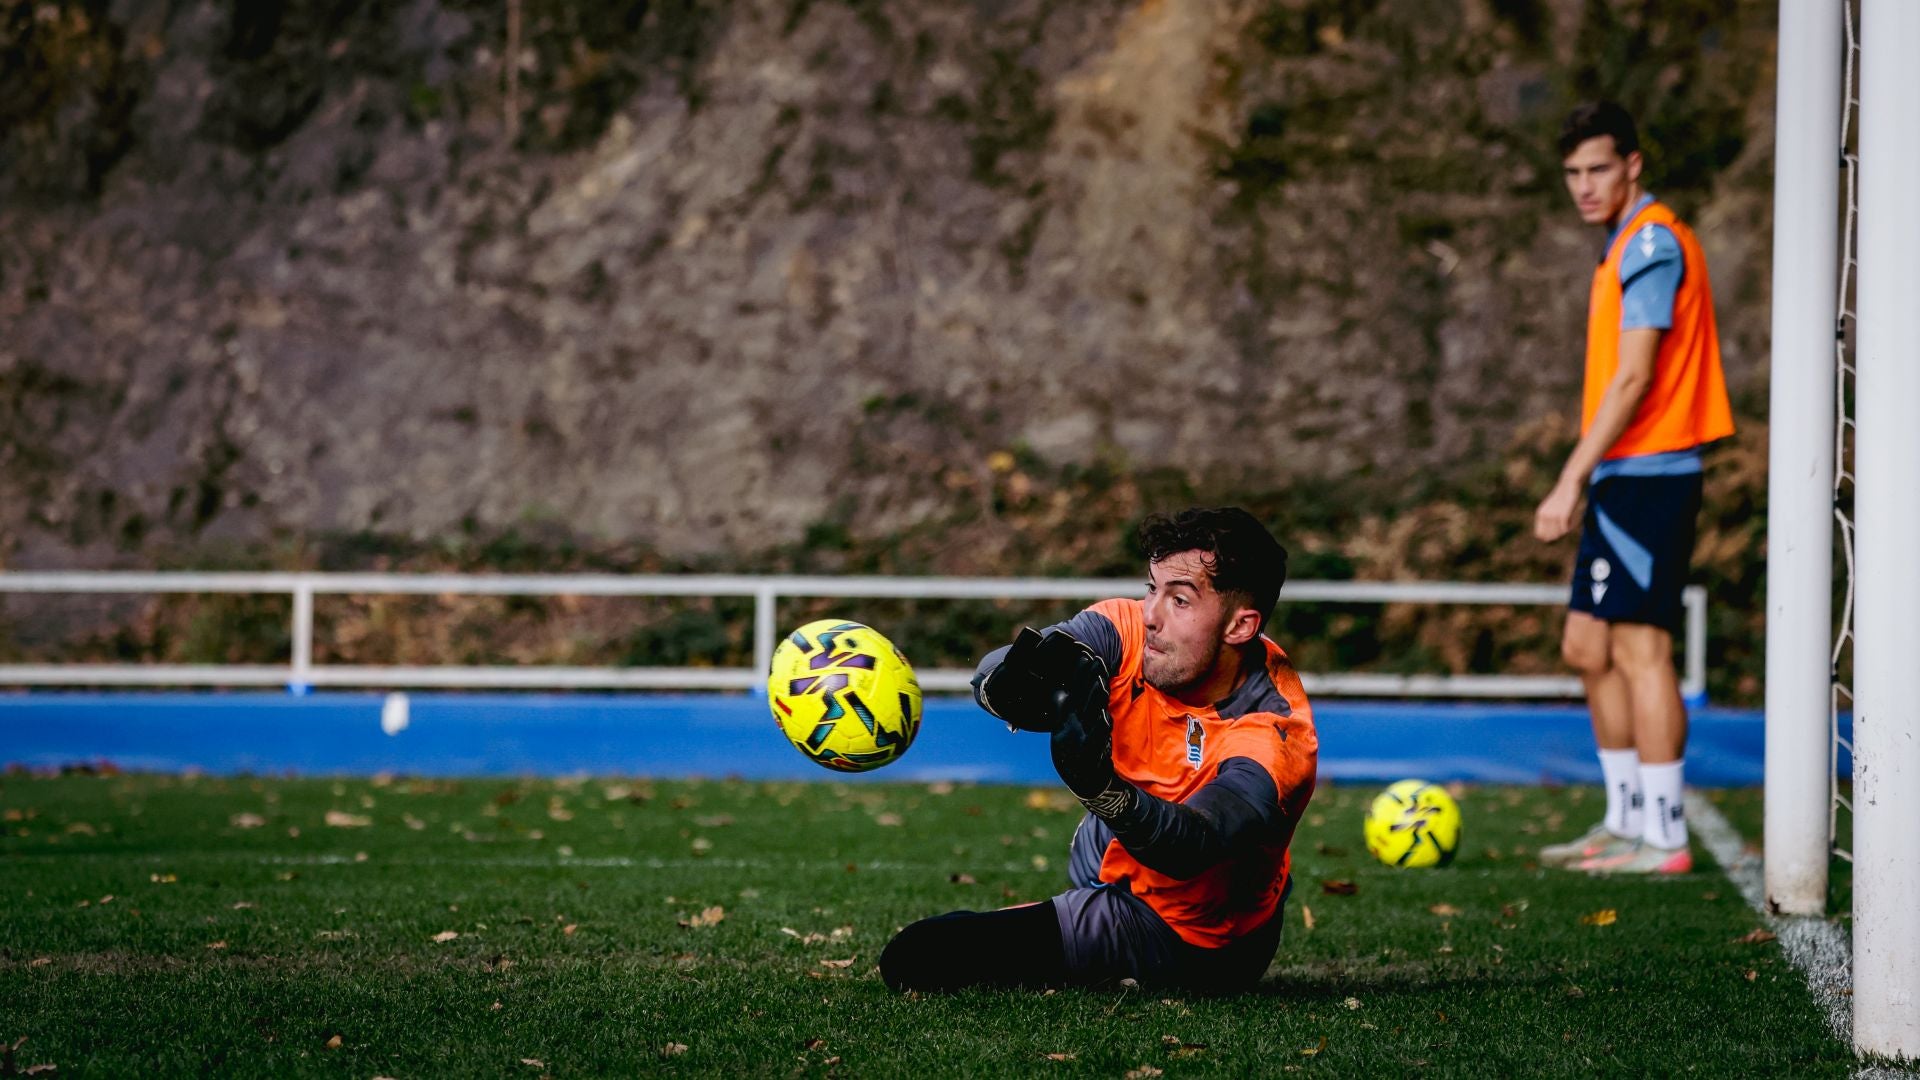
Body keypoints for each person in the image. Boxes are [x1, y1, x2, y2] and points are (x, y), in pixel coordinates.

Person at [878, 507, 1317, 993]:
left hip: (1188, 937)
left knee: (917, 957)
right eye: (1152, 588)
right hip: (1116, 848)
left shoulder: (1275, 734)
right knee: (1104, 835)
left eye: (1180, 601)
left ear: (1240, 626)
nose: (1150, 615)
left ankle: (1110, 942)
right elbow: (1025, 659)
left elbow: (1193, 848)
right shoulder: (1131, 629)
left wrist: (1099, 788)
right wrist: (1012, 683)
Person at [1533, 102, 1734, 875]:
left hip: (1651, 474)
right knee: (1586, 644)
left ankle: (1666, 837)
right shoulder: (1621, 243)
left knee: (1642, 651)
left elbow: (1635, 376)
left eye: (1598, 169)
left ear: (1633, 165)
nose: (1584, 186)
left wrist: (1569, 477)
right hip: (1626, 475)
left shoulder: (1650, 241)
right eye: (1573, 174)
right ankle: (1624, 818)